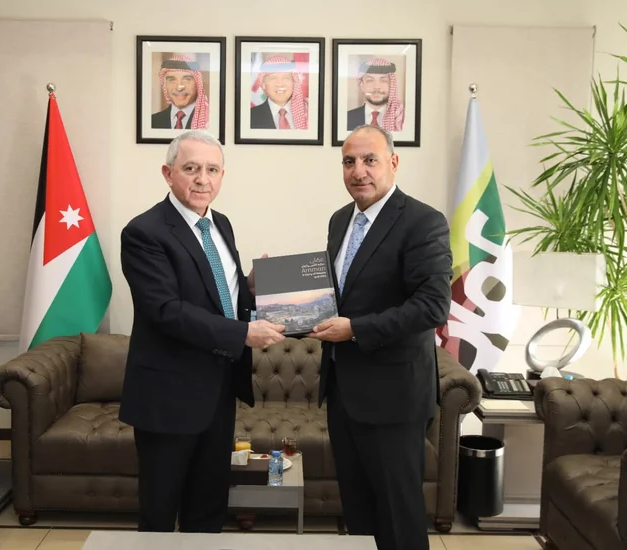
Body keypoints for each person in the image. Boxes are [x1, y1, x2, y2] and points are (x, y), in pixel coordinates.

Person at [118, 130, 285, 533]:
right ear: (168, 173)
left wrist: (249, 287)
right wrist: (242, 334)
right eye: (191, 168)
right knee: (159, 516)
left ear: (222, 175)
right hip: (168, 397)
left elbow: (218, 295)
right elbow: (166, 311)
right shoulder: (144, 232)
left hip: (218, 392)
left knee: (209, 510)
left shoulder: (220, 224)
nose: (202, 179)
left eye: (212, 170)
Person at [309, 125, 452, 550]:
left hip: (394, 398)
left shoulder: (423, 222)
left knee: (398, 518)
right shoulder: (340, 220)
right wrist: (285, 299)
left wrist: (355, 329)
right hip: (343, 393)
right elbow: (338, 293)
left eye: (369, 160)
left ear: (393, 162)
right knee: (358, 514)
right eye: (349, 162)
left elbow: (432, 306)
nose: (359, 171)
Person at [151, 54, 210, 130]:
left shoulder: (209, 120)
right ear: (165, 85)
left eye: (187, 79)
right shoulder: (152, 121)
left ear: (197, 84)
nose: (179, 88)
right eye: (172, 80)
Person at [250, 55, 308, 130]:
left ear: (294, 82)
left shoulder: (309, 113)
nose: (280, 84)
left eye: (286, 78)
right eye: (273, 78)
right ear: (263, 84)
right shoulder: (249, 117)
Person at [346, 59, 405, 132]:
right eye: (370, 80)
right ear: (361, 85)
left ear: (391, 85)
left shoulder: (402, 118)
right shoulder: (346, 118)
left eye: (383, 81)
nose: (377, 86)